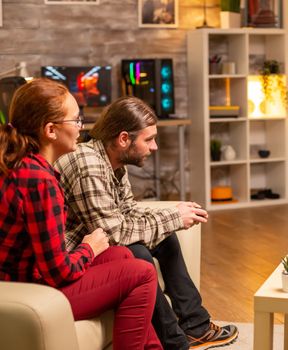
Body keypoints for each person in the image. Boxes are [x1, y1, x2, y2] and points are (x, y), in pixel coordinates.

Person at [55, 96, 238, 350]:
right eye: (148, 139)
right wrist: (173, 217)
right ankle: (174, 342)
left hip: (100, 241)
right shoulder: (89, 164)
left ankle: (195, 326)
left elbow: (128, 211)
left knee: (165, 237)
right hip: (76, 255)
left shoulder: (115, 161)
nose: (154, 147)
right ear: (123, 139)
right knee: (138, 251)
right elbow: (115, 233)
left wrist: (171, 218)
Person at [0, 78, 162, 350]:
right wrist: (88, 248)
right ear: (51, 130)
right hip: (25, 289)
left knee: (122, 254)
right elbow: (58, 273)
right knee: (143, 273)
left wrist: (94, 250)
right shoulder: (38, 180)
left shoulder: (23, 163)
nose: (81, 127)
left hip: (31, 278)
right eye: (76, 120)